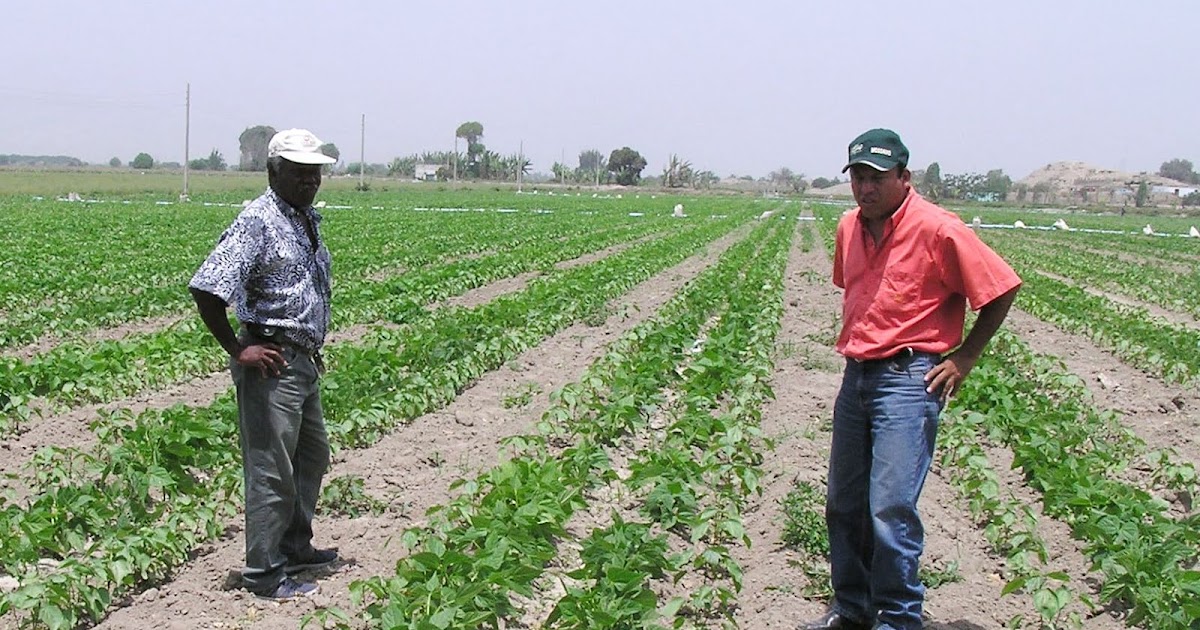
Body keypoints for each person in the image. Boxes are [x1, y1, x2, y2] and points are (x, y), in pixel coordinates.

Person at [800, 129, 1021, 630]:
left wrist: (965, 357)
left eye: (876, 177)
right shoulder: (847, 227)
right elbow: (855, 287)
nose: (865, 187)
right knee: (843, 503)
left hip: (907, 379)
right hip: (856, 377)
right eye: (857, 176)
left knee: (890, 508)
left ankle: (899, 618)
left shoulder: (939, 229)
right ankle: (852, 608)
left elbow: (1001, 288)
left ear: (904, 177)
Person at [189, 128, 339, 601]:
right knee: (271, 469)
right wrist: (238, 349)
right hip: (271, 362)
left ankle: (296, 547)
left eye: (314, 173)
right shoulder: (258, 221)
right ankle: (264, 573)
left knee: (311, 457)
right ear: (273, 171)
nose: (309, 181)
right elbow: (207, 288)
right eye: (298, 173)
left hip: (302, 361)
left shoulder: (302, 218)